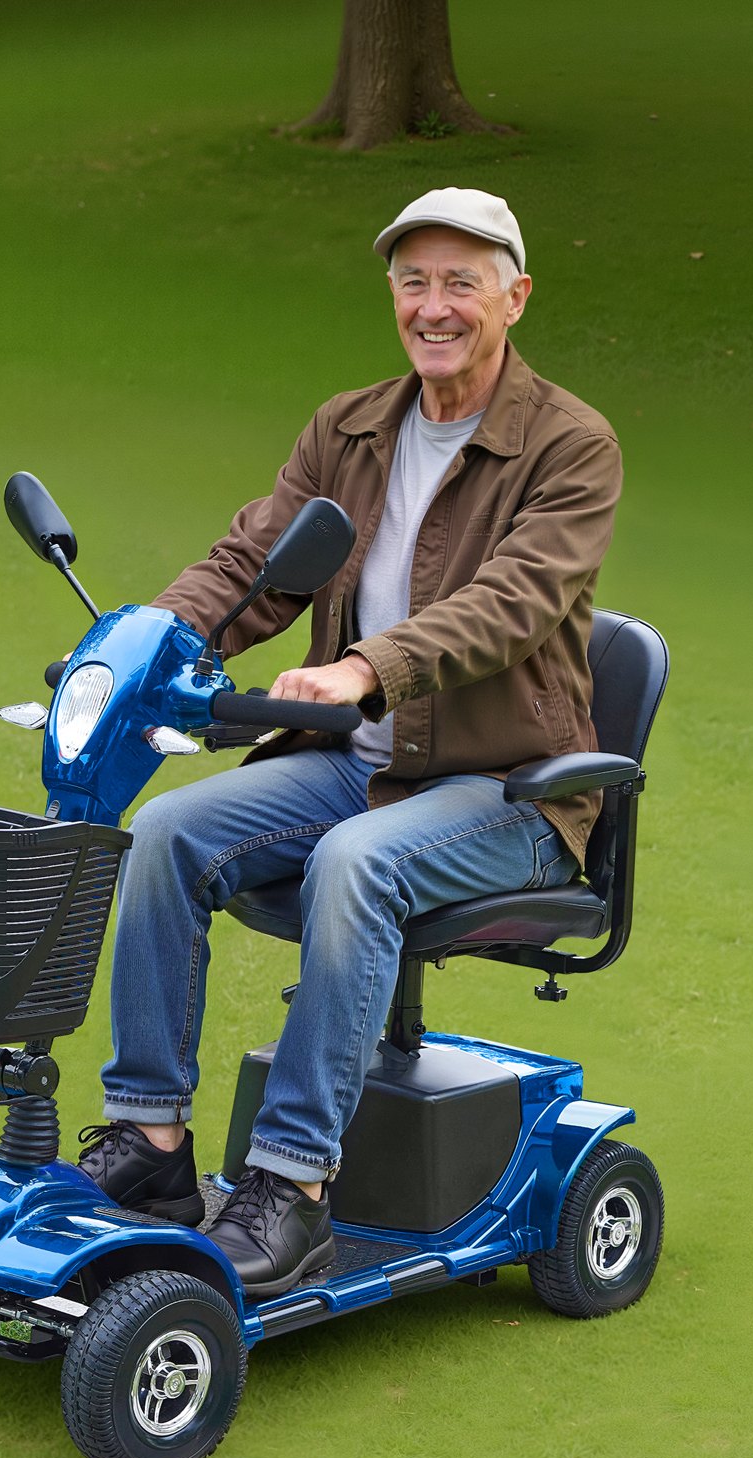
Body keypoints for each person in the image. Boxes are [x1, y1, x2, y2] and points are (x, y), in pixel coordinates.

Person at [77, 188, 622, 1298]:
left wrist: (365, 666)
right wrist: (141, 646)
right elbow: (251, 562)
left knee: (353, 861)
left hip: (511, 788)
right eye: (413, 281)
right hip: (359, 765)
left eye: (460, 282)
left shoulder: (571, 446)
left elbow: (513, 600)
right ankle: (154, 1144)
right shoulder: (351, 427)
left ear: (514, 297)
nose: (434, 306)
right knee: (169, 831)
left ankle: (292, 1188)